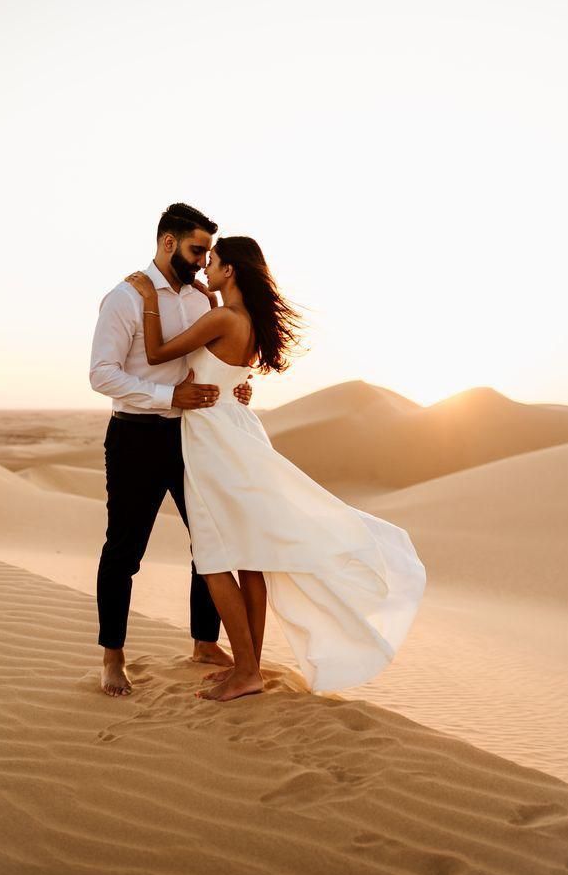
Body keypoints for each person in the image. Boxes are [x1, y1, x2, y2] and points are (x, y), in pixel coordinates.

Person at [126, 236, 426, 702]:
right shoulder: (244, 319)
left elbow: (157, 353)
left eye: (215, 264)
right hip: (234, 429)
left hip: (212, 442)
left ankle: (247, 670)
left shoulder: (222, 317)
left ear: (231, 271)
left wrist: (147, 299)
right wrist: (209, 302)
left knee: (213, 556)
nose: (206, 269)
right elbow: (228, 376)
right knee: (248, 556)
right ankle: (249, 668)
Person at [90, 204, 253, 697]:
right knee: (123, 551)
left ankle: (205, 641)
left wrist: (234, 389)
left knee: (209, 540)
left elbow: (213, 361)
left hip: (192, 435)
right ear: (168, 243)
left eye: (208, 251)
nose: (204, 260)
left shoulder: (203, 301)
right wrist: (167, 396)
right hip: (135, 436)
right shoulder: (123, 297)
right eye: (196, 249)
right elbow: (101, 374)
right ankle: (112, 657)